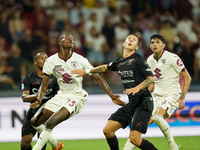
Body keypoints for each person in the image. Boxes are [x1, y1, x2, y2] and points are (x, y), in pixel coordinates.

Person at [30, 33, 125, 150]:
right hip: (61, 95)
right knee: (35, 122)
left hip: (76, 97)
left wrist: (111, 95)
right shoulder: (51, 61)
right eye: (67, 38)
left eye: (72, 38)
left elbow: (98, 78)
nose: (70, 39)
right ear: (60, 43)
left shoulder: (80, 59)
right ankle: (56, 145)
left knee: (50, 122)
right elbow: (44, 85)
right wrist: (39, 99)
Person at [71, 34, 158, 150]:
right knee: (108, 130)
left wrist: (137, 88)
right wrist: (86, 71)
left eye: (134, 40)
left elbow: (151, 78)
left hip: (144, 103)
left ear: (136, 47)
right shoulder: (119, 61)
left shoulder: (138, 59)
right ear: (124, 43)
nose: (131, 40)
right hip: (132, 104)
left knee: (135, 139)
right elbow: (104, 67)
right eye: (129, 38)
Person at [123, 34, 191, 150]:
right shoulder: (149, 60)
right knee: (136, 129)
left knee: (157, 117)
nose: (155, 44)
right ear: (150, 45)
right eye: (153, 42)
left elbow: (187, 77)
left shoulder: (172, 58)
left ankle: (173, 146)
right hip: (156, 96)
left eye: (158, 42)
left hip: (172, 95)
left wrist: (182, 98)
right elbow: (152, 83)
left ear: (163, 45)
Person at [21, 51, 60, 150]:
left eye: (46, 58)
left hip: (47, 112)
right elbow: (24, 97)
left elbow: (60, 94)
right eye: (41, 58)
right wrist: (37, 96)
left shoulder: (54, 77)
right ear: (35, 62)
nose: (45, 60)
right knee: (25, 143)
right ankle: (57, 146)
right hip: (33, 112)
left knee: (42, 140)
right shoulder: (28, 78)